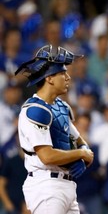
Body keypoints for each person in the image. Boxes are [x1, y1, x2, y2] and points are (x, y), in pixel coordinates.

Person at [14, 45, 94, 214]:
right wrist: (81, 154)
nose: (68, 77)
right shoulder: (34, 110)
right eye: (63, 73)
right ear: (49, 78)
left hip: (67, 185)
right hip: (46, 186)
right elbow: (47, 156)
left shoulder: (60, 107)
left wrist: (83, 153)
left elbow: (81, 143)